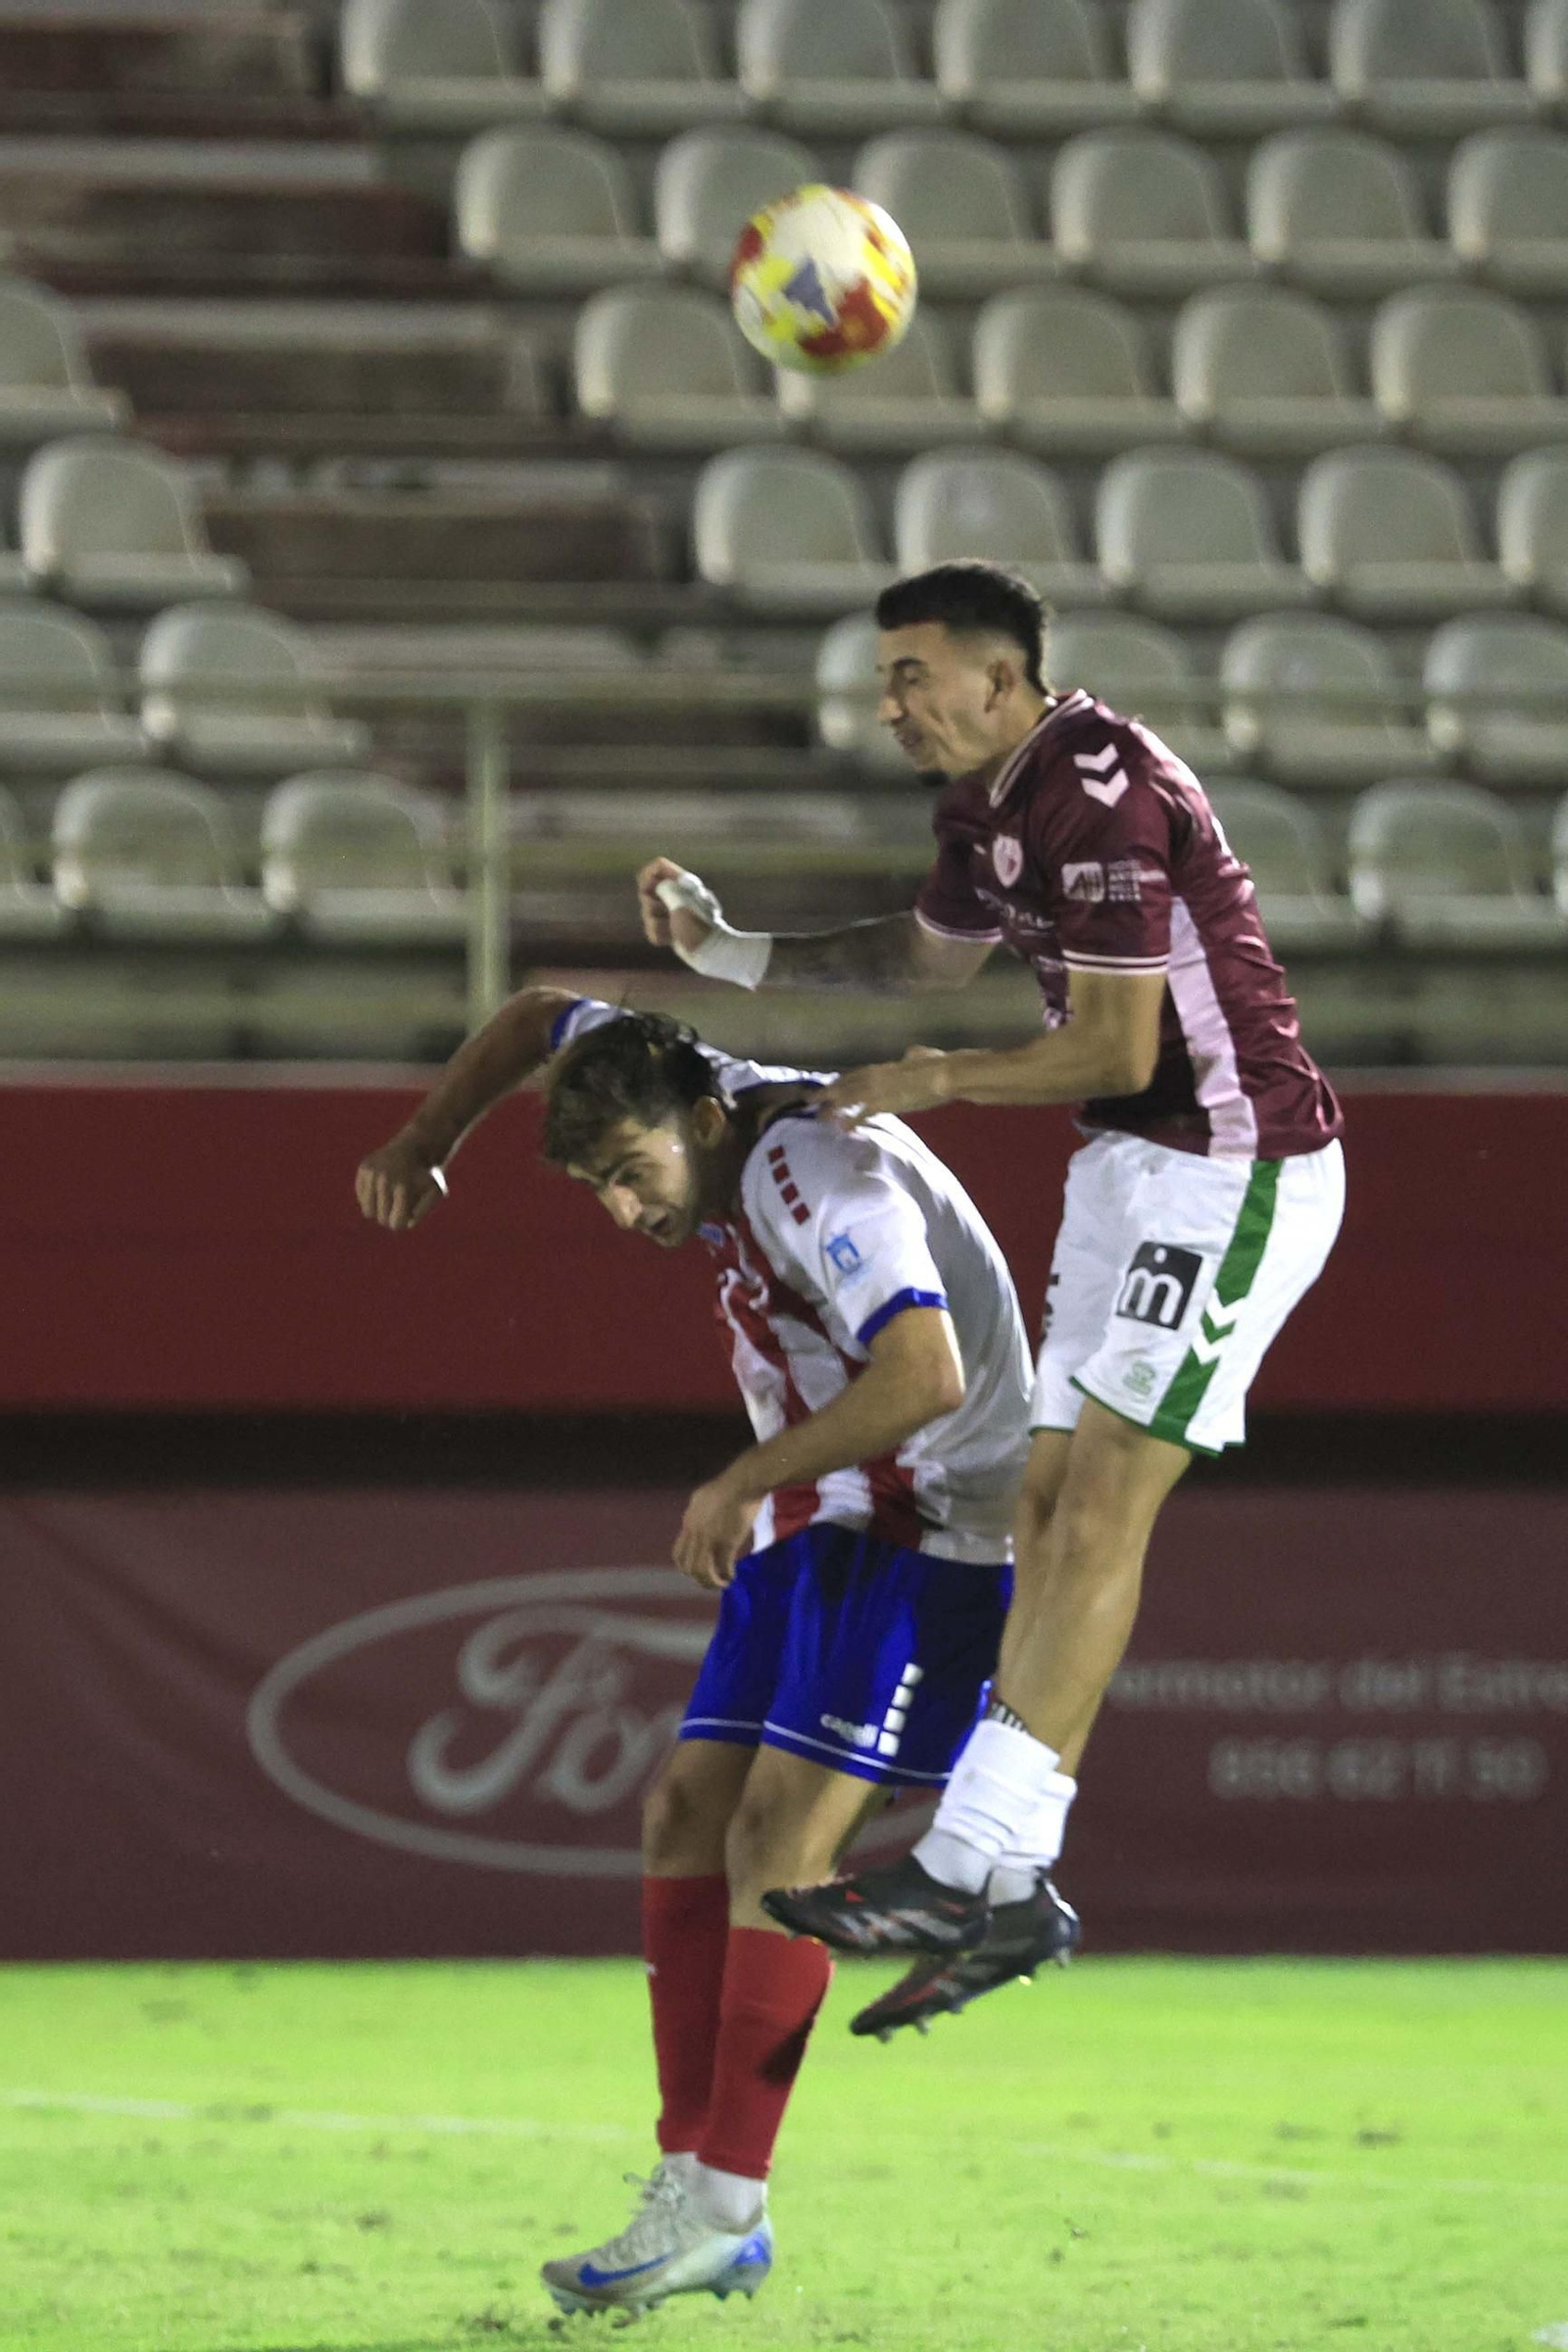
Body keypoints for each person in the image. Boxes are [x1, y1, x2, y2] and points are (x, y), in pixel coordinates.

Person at [636, 557, 1346, 2037]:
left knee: (1099, 1507)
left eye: (912, 674)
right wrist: (729, 952)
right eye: (885, 676)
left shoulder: (1093, 785)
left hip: (1233, 1162)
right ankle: (1018, 1876)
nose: (889, 702)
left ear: (1000, 679)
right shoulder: (990, 801)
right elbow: (922, 955)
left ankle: (966, 1857)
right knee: (1039, 1510)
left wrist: (937, 1081)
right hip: (1128, 1171)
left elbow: (1110, 1041)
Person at [355, 983, 1061, 2319]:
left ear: (699, 1120)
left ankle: (730, 2197)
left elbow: (926, 1375)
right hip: (829, 1508)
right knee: (685, 1809)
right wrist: (429, 1136)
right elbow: (535, 1014)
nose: (627, 1213)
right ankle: (693, 2179)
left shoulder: (809, 1170)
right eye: (599, 1190)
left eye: (631, 1176)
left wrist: (738, 1479)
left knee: (778, 1845)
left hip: (922, 1520)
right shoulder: (675, 1070)